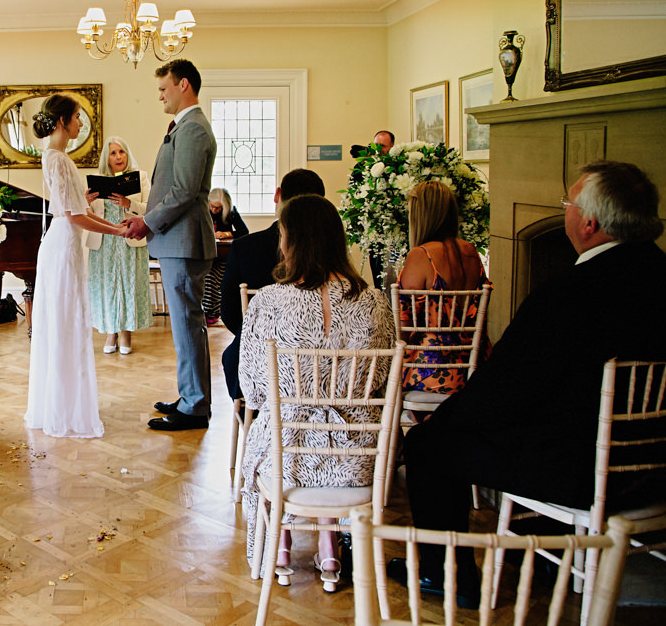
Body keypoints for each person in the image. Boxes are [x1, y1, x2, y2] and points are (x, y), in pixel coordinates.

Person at [392, 161, 666, 608]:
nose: (565, 212)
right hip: (653, 465)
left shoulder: (569, 294)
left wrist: (445, 418)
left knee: (429, 444)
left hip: (581, 469)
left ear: (590, 223)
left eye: (568, 204)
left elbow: (503, 391)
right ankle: (542, 549)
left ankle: (443, 573)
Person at [238, 194, 394, 587]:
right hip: (357, 459)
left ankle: (282, 543)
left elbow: (253, 390)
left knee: (277, 429)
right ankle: (329, 546)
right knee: (317, 427)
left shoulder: (269, 301)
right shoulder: (375, 303)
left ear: (291, 241)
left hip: (288, 458)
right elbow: (385, 382)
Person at [121, 59, 218, 431]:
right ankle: (190, 395)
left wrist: (147, 222)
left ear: (184, 85)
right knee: (184, 325)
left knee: (187, 324)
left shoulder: (193, 129)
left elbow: (183, 192)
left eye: (164, 88)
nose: (160, 96)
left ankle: (195, 407)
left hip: (184, 242)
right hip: (177, 240)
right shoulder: (185, 126)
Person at [27, 95, 126, 438]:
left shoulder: (52, 156)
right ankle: (67, 410)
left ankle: (59, 403)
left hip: (60, 242)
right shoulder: (61, 160)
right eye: (78, 119)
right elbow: (74, 216)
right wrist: (116, 229)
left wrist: (84, 200)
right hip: (65, 244)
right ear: (61, 121)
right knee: (66, 321)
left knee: (62, 322)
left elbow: (66, 206)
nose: (81, 125)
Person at [220, 169, 325, 400]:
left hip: (258, 368)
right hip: (323, 371)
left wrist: (256, 337)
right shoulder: (330, 255)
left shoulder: (245, 248)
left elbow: (228, 311)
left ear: (277, 195)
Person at [395, 180, 490, 395]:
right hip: (475, 366)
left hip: (431, 371)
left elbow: (403, 328)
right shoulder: (470, 252)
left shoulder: (420, 256)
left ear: (419, 217)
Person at [85, 136, 152, 355]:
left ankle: (125, 333)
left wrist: (128, 203)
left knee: (127, 285)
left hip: (129, 240)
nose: (118, 156)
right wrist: (85, 201)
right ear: (107, 157)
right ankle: (110, 332)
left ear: (127, 154)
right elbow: (90, 215)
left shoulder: (140, 178)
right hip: (104, 242)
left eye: (121, 151)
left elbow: (150, 208)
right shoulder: (97, 181)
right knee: (107, 287)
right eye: (113, 153)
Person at [201, 188, 249, 325]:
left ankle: (214, 311)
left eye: (219, 208)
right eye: (213, 207)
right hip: (207, 256)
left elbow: (244, 231)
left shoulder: (230, 213)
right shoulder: (203, 211)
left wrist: (227, 234)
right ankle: (209, 311)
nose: (215, 210)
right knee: (208, 277)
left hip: (224, 256)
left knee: (219, 277)